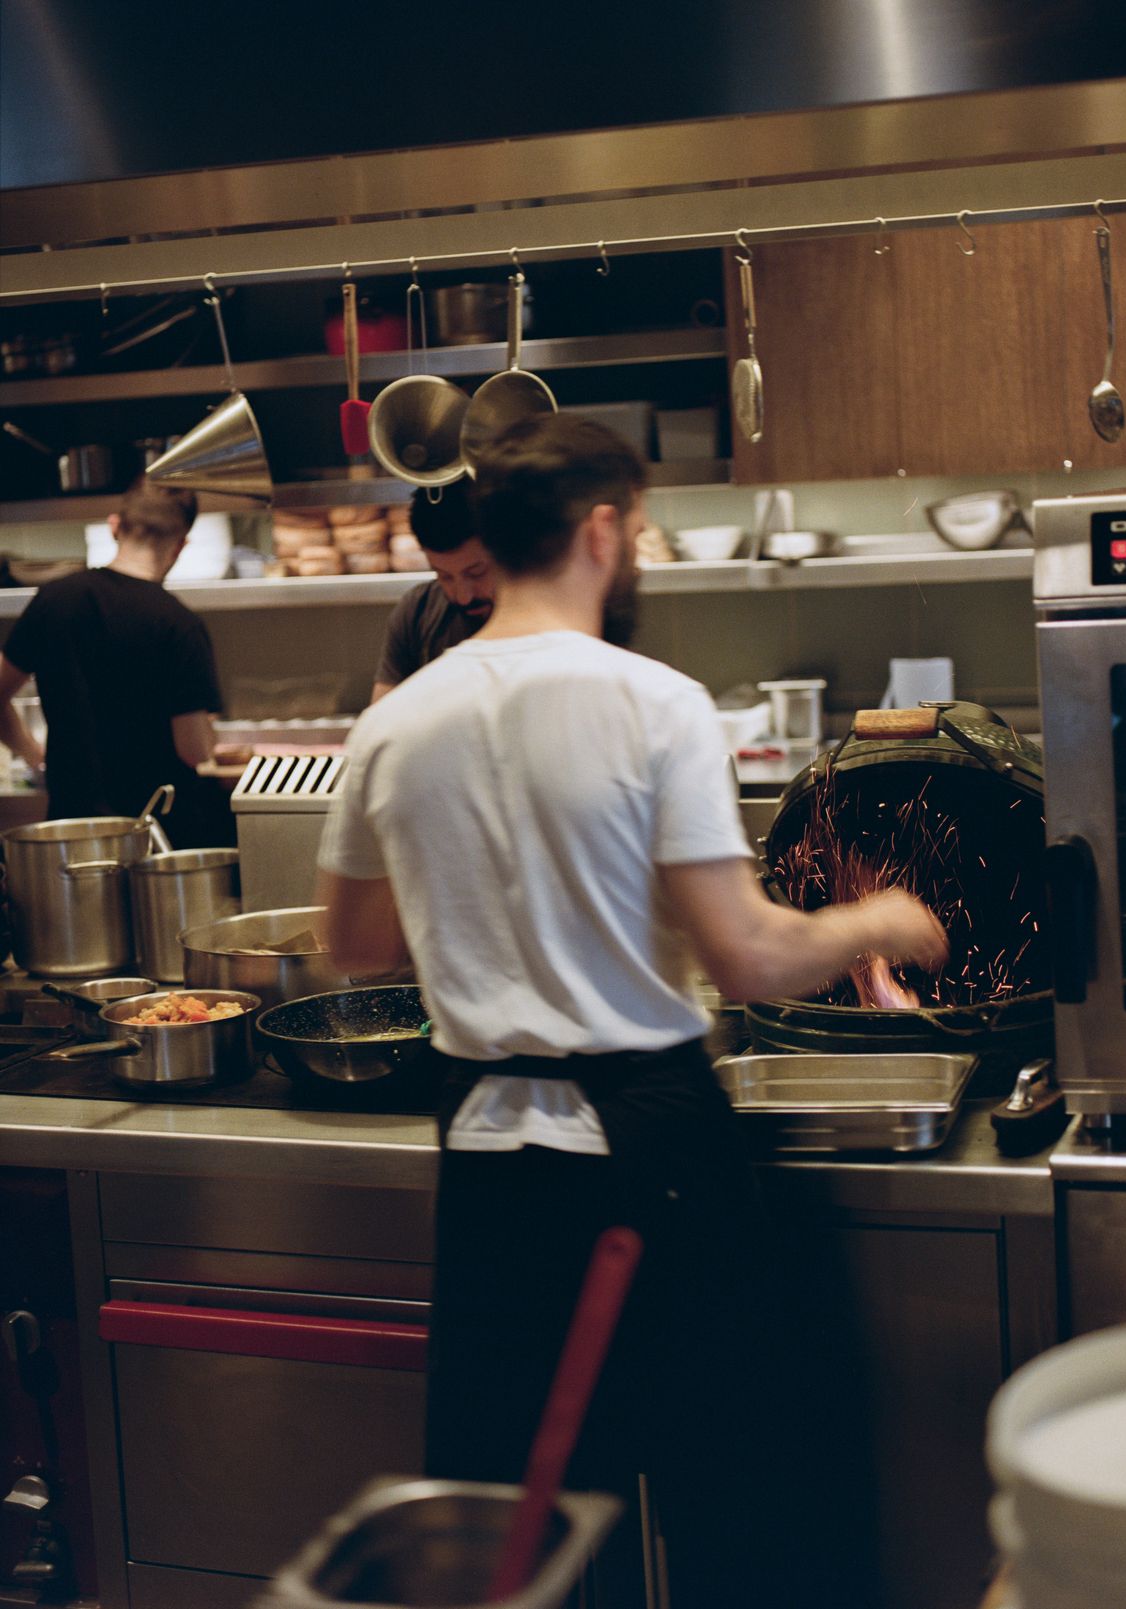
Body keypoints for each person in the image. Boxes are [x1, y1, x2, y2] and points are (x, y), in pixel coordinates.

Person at [316, 416, 948, 1606]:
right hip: (646, 1144)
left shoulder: (394, 722)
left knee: (522, 1525)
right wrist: (879, 922)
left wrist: (486, 905)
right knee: (732, 1503)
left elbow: (351, 943)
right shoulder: (654, 701)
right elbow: (752, 957)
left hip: (487, 1156)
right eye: (640, 528)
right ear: (603, 531)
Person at [0, 477, 234, 849]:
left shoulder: (54, 600)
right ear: (180, 546)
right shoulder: (178, 624)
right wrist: (209, 731)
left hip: (71, 830)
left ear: (114, 527)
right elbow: (193, 749)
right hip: (155, 833)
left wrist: (34, 757)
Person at [370, 481, 495, 702]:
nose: (464, 597)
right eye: (444, 576)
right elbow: (383, 711)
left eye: (477, 573)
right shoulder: (416, 610)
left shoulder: (549, 612)